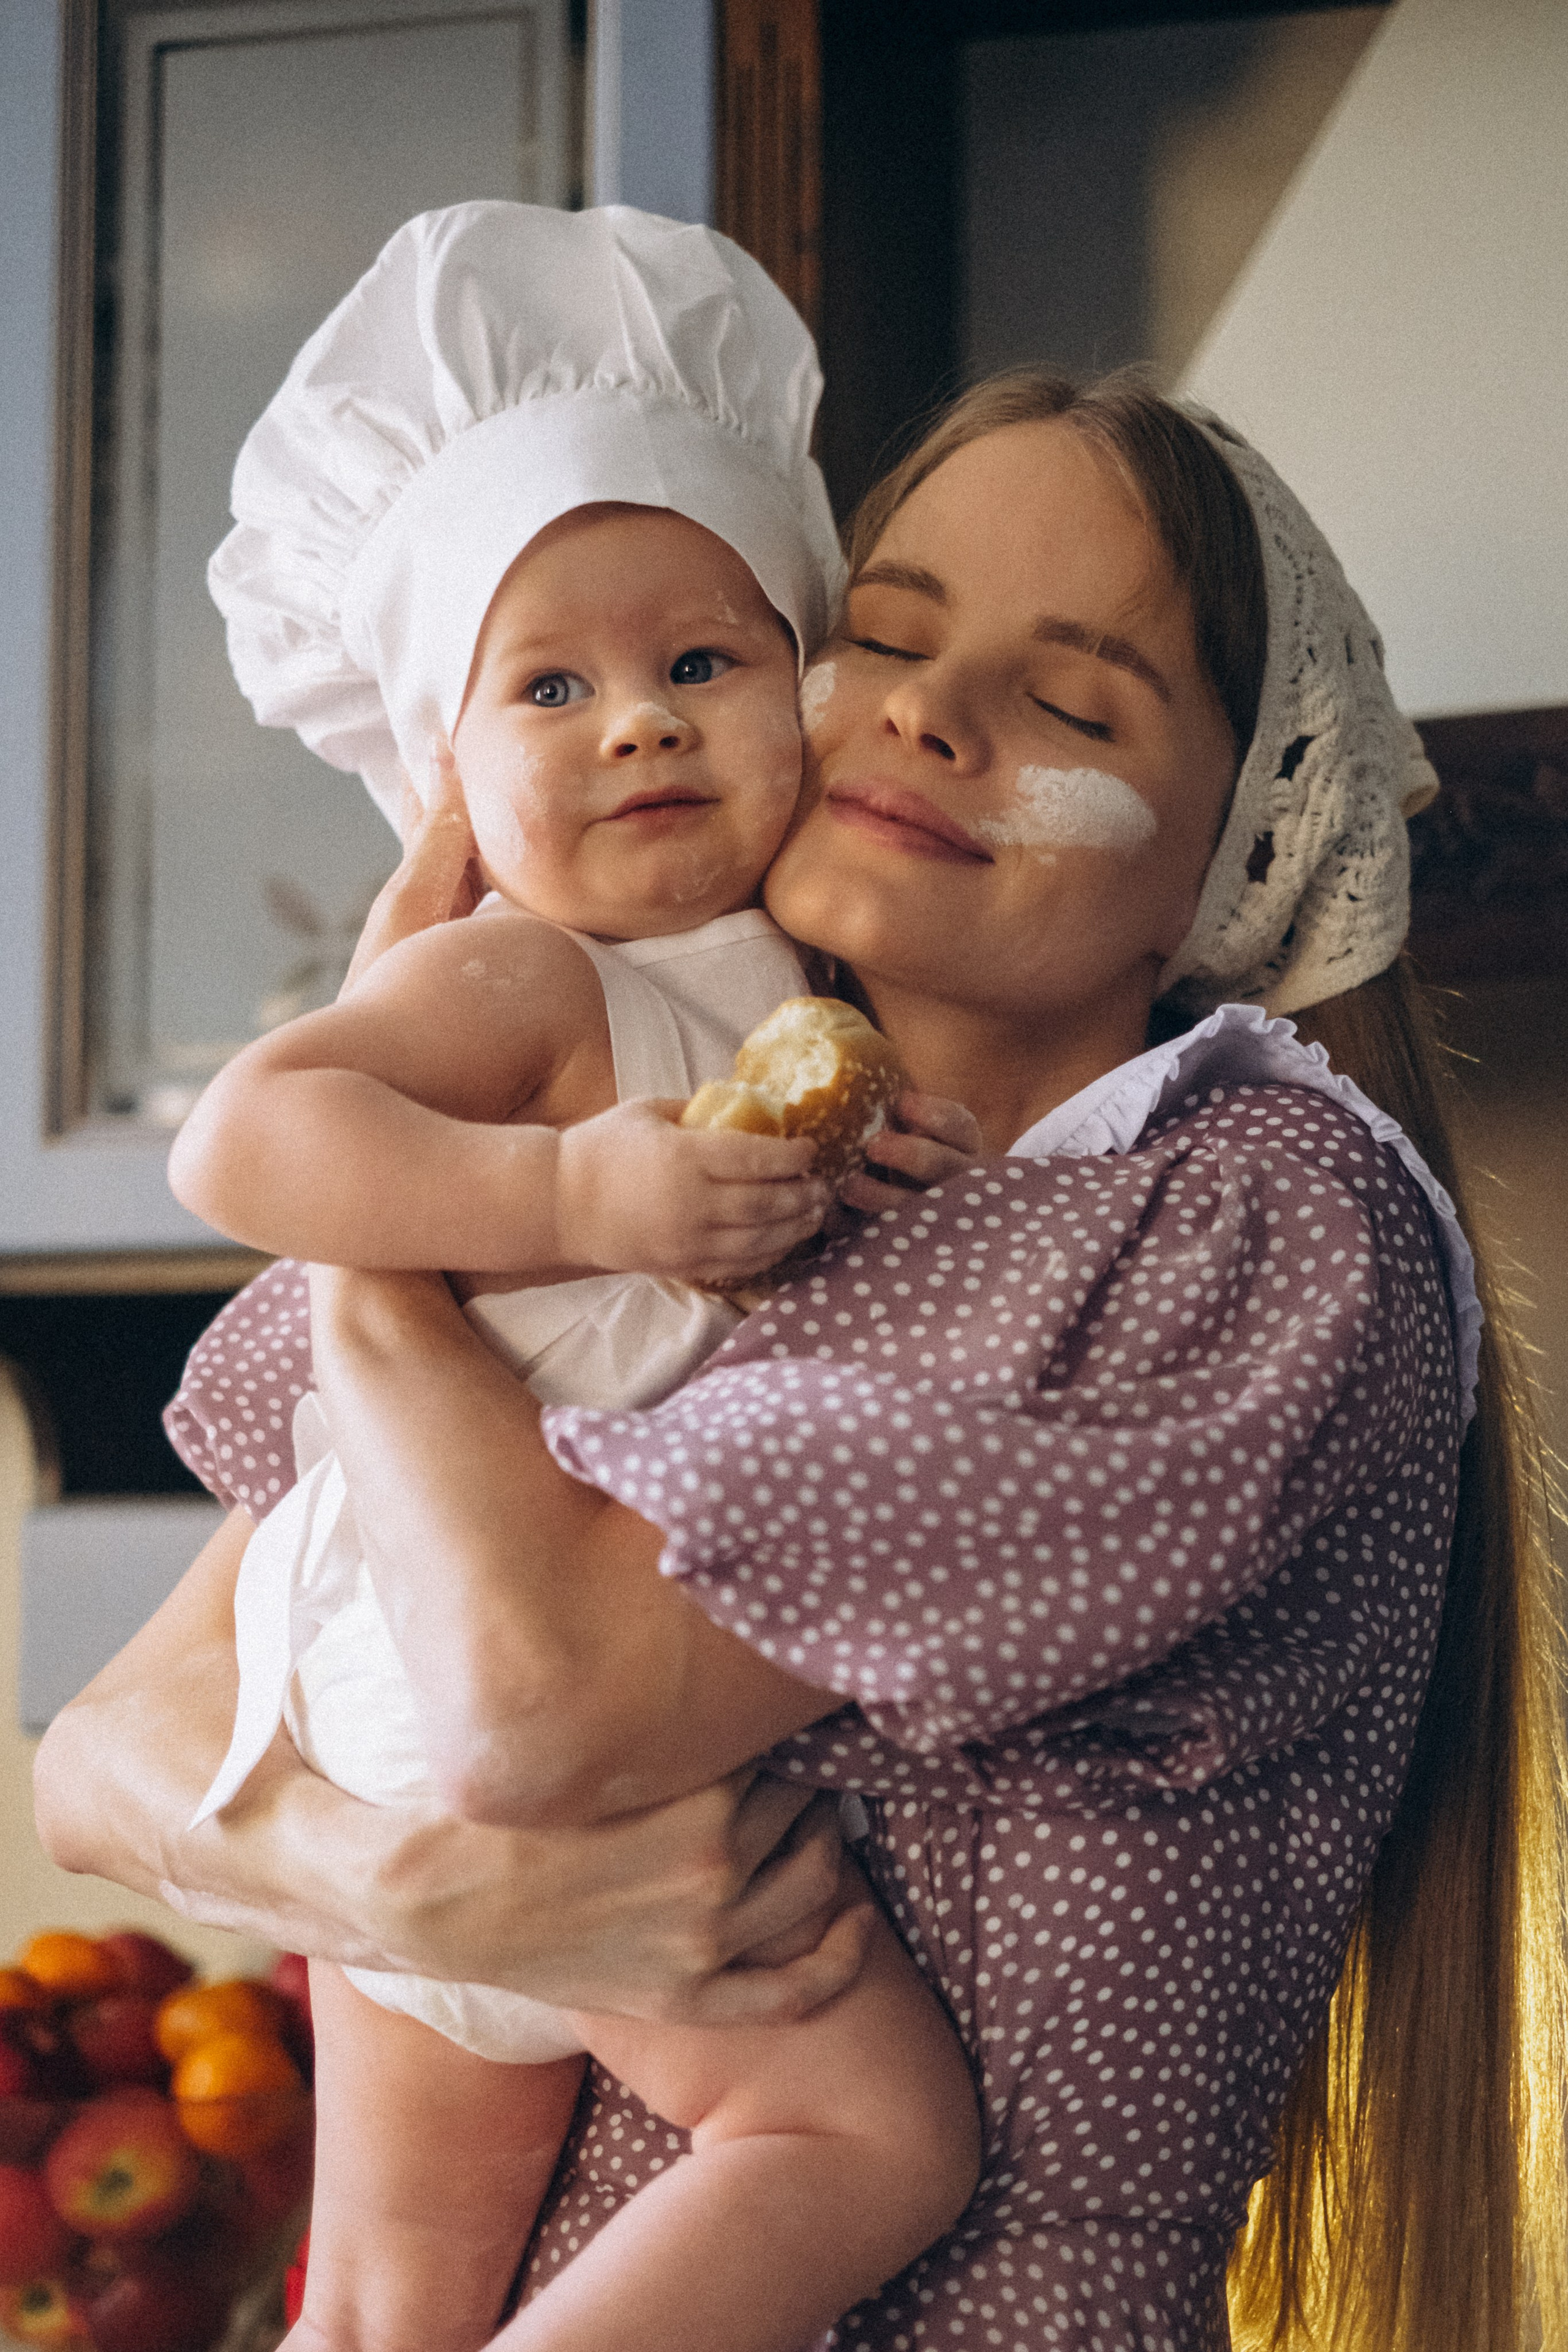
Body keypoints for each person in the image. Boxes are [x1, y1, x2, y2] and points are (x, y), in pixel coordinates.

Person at [37, 369, 1568, 2352]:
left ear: (1223, 878)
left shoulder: (1245, 1220)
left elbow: (538, 1708)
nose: (935, 710)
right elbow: (105, 1756)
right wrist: (412, 1894)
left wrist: (389, 1216)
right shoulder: (705, 1145)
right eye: (892, 634)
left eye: (1076, 704)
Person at [160, 200, 984, 2352]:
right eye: (554, 686)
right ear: (445, 770)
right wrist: (569, 1206)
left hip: (457, 1716)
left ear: (808, 683)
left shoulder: (792, 1003)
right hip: (479, 1696)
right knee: (871, 2141)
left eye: (701, 662)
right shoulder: (524, 975)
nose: (638, 722)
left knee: (390, 2297)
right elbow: (241, 1142)